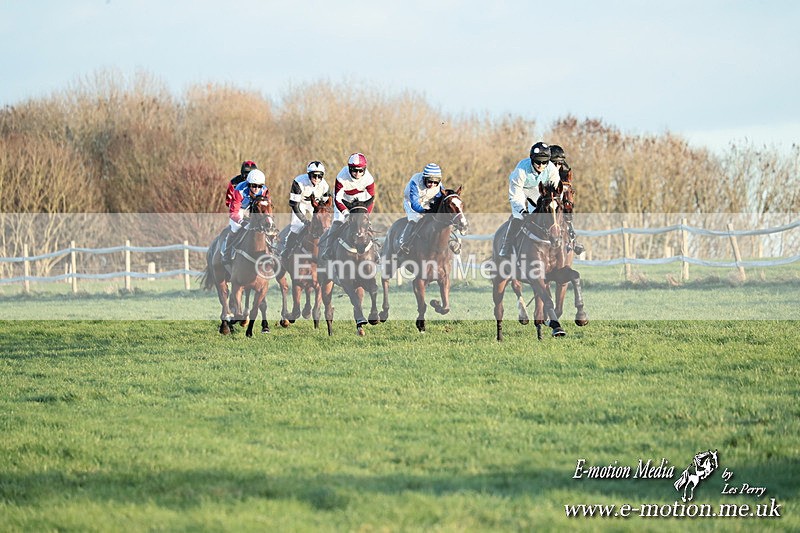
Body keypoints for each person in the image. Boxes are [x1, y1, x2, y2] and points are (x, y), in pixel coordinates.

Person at [498, 141, 561, 257]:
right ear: (532, 159)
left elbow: (556, 191)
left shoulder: (552, 170)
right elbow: (515, 194)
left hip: (536, 190)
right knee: (519, 217)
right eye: (538, 161)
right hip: (520, 189)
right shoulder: (521, 170)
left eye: (544, 162)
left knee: (540, 213)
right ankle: (506, 245)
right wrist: (522, 210)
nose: (541, 165)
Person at [321, 153, 375, 260]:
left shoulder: (369, 179)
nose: (357, 173)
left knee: (365, 223)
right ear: (349, 168)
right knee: (338, 221)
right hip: (343, 200)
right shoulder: (341, 177)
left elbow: (371, 200)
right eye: (354, 170)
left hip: (361, 201)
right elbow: (337, 199)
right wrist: (346, 214)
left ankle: (375, 251)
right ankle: (328, 249)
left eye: (360, 170)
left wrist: (365, 215)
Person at [280, 161, 330, 261]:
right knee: (296, 226)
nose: (316, 179)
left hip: (314, 205)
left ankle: (328, 249)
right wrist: (304, 220)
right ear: (308, 175)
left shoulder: (325, 186)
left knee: (324, 224)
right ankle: (287, 248)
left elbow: (325, 206)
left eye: (319, 176)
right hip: (300, 204)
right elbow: (294, 205)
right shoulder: (299, 182)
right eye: (314, 176)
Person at [222, 168, 269, 264]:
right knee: (235, 228)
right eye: (254, 185)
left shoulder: (264, 191)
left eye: (259, 186)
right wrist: (242, 222)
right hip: (240, 209)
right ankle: (227, 253)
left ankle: (272, 251)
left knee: (266, 226)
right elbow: (233, 212)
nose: (256, 189)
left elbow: (266, 208)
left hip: (254, 209)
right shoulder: (239, 190)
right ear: (248, 184)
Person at [398, 163, 444, 254]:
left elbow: (441, 200)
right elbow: (414, 204)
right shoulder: (415, 182)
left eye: (435, 182)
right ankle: (404, 242)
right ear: (424, 179)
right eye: (430, 181)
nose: (432, 185)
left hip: (427, 202)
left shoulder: (439, 186)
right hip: (411, 202)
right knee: (415, 218)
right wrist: (426, 211)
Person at [549, 145, 584, 255]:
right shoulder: (542, 169)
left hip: (558, 198)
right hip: (539, 196)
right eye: (554, 163)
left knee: (567, 209)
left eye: (559, 163)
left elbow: (567, 185)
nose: (557, 166)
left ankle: (573, 239)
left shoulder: (564, 169)